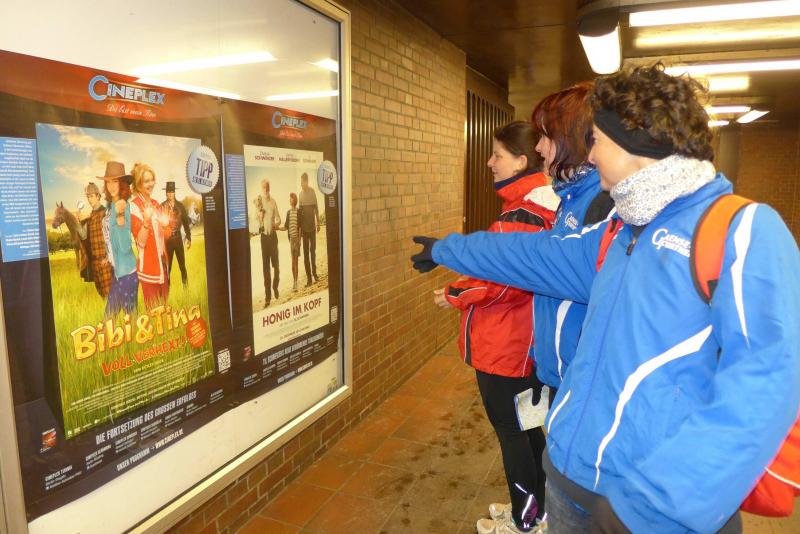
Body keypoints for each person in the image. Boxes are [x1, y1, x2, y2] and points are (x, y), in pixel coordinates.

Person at [412, 64, 800, 534]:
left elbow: (768, 385)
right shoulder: (623, 228)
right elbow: (536, 254)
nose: (591, 155)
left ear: (634, 144)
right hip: (570, 480)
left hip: (648, 506)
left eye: (597, 141)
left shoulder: (742, 231)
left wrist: (657, 505)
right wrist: (449, 249)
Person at [435, 121, 558, 534]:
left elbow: (501, 280)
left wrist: (454, 293)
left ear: (521, 161)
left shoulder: (523, 213)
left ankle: (526, 522)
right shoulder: (541, 205)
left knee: (511, 432)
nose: (490, 162)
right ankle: (537, 511)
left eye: (497, 155)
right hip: (524, 342)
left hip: (506, 345)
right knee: (527, 426)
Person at [529, 82, 615, 399]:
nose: (538, 147)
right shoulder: (571, 196)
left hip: (582, 380)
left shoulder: (602, 202)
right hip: (562, 368)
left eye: (545, 136)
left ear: (571, 139)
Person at [130, 163, 170, 309]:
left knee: (165, 311)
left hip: (162, 265)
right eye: (146, 181)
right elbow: (140, 243)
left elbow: (166, 235)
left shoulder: (155, 203)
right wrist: (146, 222)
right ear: (138, 183)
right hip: (149, 268)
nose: (151, 184)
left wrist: (165, 226)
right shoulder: (134, 206)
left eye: (152, 180)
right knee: (154, 313)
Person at [101, 164, 138, 316]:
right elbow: (109, 237)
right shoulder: (109, 207)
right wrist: (108, 256)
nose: (111, 186)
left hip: (127, 273)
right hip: (116, 273)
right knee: (109, 319)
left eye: (115, 181)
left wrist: (120, 216)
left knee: (131, 320)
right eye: (108, 182)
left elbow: (124, 246)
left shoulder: (125, 206)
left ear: (122, 183)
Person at [82, 180, 114, 298]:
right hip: (94, 263)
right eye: (88, 197)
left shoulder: (106, 213)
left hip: (105, 261)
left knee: (109, 296)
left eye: (91, 196)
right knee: (102, 297)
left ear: (98, 196)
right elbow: (85, 238)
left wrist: (108, 257)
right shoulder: (90, 216)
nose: (89, 199)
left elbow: (113, 237)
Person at [161, 181, 191, 287]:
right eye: (168, 191)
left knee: (182, 266)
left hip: (178, 238)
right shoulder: (162, 206)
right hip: (167, 240)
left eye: (172, 191)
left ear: (174, 192)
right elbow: (158, 225)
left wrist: (189, 238)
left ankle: (186, 289)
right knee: (167, 267)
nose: (170, 193)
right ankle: (167, 291)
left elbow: (186, 223)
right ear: (166, 192)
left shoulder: (180, 206)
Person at [258, 179, 281, 306]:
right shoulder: (259, 202)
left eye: (267, 187)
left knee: (276, 266)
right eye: (264, 187)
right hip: (264, 238)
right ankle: (268, 297)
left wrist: (276, 224)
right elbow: (254, 221)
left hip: (273, 237)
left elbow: (279, 218)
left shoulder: (273, 202)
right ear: (262, 189)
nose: (266, 189)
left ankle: (275, 286)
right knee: (265, 268)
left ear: (269, 188)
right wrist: (259, 216)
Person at [298, 172, 320, 286]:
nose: (301, 184)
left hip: (312, 228)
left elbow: (316, 208)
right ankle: (309, 279)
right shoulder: (300, 195)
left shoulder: (312, 192)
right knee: (306, 254)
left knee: (313, 252)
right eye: (301, 182)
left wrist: (318, 223)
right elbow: (300, 214)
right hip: (304, 230)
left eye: (303, 182)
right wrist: (300, 230)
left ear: (306, 181)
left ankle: (315, 274)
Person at [279, 192, 301, 291]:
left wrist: (299, 240)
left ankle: (296, 283)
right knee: (293, 262)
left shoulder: (298, 211)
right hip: (291, 240)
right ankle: (294, 281)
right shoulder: (288, 212)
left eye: (291, 198)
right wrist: (277, 228)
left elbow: (300, 227)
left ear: (294, 200)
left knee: (296, 262)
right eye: (290, 198)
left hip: (297, 239)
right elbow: (285, 227)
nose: (290, 200)